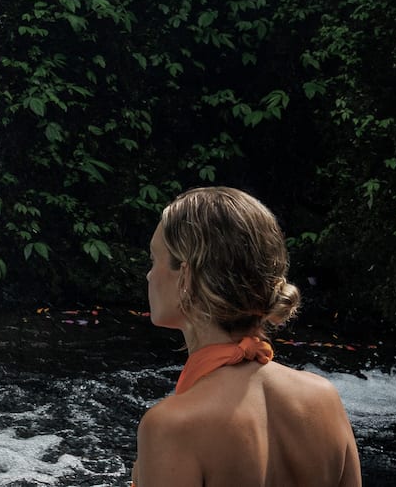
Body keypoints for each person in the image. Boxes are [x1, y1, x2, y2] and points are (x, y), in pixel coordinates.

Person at [133, 187, 361, 487]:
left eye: (154, 259)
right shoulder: (325, 399)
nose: (149, 275)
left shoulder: (172, 426)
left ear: (186, 277)